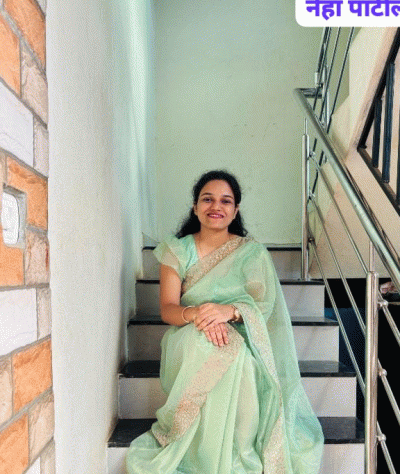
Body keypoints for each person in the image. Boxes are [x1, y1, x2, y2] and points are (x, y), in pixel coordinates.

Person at [126, 170, 324, 474]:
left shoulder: (251, 253)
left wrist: (228, 312)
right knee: (210, 346)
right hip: (189, 331)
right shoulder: (177, 250)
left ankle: (237, 453)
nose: (216, 206)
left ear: (235, 210)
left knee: (241, 358)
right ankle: (204, 452)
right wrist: (198, 314)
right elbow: (168, 309)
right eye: (207, 199)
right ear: (195, 207)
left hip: (242, 331)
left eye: (225, 201)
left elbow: (264, 305)